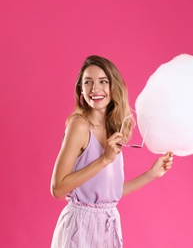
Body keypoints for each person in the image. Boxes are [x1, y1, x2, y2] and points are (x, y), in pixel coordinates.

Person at [50, 55, 174, 248]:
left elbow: (109, 194)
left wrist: (152, 174)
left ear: (113, 87)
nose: (95, 89)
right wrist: (104, 159)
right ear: (81, 91)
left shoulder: (113, 129)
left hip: (108, 227)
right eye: (88, 82)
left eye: (103, 81)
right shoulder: (79, 125)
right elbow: (57, 189)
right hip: (79, 229)